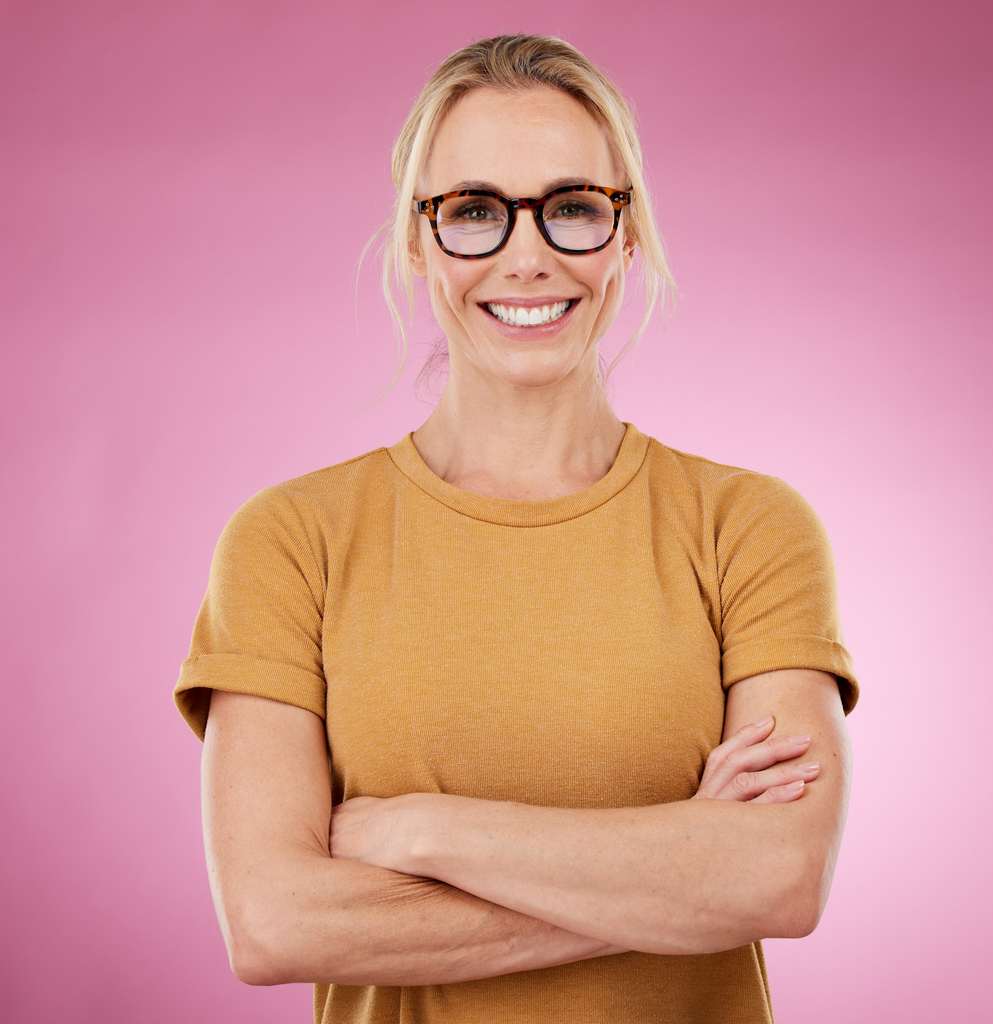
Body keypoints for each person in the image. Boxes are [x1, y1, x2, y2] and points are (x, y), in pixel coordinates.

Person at [175, 33, 857, 1024]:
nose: (526, 256)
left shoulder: (748, 527)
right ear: (417, 239)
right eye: (475, 213)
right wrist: (681, 871)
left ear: (627, 233)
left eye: (573, 207)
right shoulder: (291, 540)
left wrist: (417, 830)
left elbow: (781, 878)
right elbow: (273, 920)